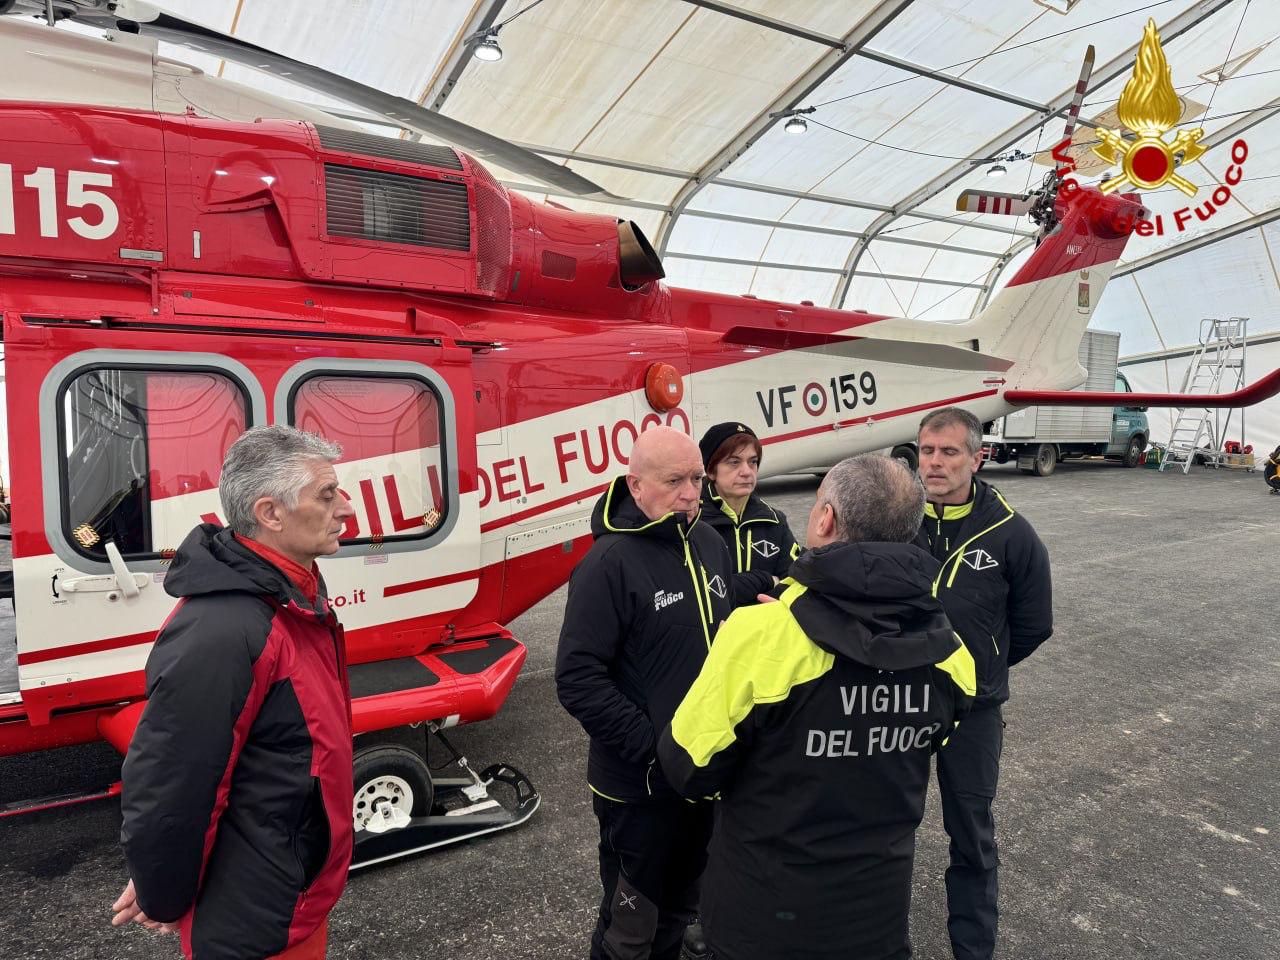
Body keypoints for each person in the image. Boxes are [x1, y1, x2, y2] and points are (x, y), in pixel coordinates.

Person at [659, 455, 976, 960]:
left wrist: (762, 640)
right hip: (875, 923)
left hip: (759, 922)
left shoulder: (759, 636)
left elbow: (689, 767)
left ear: (825, 519)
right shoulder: (952, 654)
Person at [112, 425, 358, 960]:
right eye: (327, 493)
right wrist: (163, 890)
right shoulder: (227, 628)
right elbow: (173, 787)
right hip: (255, 923)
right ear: (270, 514)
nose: (346, 505)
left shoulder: (288, 598)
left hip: (289, 899)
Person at [556, 425, 735, 960]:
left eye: (698, 479)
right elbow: (578, 678)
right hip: (640, 786)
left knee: (681, 909)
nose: (690, 493)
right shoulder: (609, 563)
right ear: (636, 486)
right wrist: (656, 747)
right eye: (675, 480)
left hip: (701, 776)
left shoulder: (708, 541)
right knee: (631, 926)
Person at [914, 407, 1052, 960]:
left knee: (971, 837)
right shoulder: (898, 522)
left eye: (949, 452)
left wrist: (982, 668)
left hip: (973, 713)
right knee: (885, 830)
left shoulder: (1011, 533)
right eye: (927, 451)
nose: (935, 463)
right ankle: (877, 940)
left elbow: (1033, 624)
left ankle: (972, 950)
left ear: (977, 457)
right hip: (897, 704)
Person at [698, 422, 799, 606]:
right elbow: (697, 593)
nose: (746, 472)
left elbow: (796, 582)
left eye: (752, 462)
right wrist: (764, 580)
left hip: (763, 630)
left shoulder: (774, 521)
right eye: (734, 462)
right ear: (711, 470)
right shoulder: (693, 522)